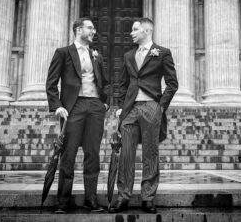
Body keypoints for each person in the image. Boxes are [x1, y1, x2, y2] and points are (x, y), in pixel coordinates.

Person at [109, 17, 178, 214]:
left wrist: (161, 106)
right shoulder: (128, 55)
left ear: (147, 31)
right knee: (126, 154)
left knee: (150, 152)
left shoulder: (162, 52)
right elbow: (123, 83)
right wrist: (121, 106)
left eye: (135, 29)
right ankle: (123, 197)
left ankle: (148, 197)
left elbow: (173, 83)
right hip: (130, 109)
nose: (131, 33)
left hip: (151, 106)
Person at [46, 17, 109, 214]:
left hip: (95, 106)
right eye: (90, 28)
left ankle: (91, 200)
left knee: (93, 154)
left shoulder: (96, 54)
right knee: (68, 154)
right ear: (78, 29)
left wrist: (104, 103)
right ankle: (63, 202)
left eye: (93, 28)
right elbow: (51, 82)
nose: (94, 31)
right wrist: (57, 106)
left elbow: (104, 81)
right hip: (73, 107)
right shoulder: (63, 52)